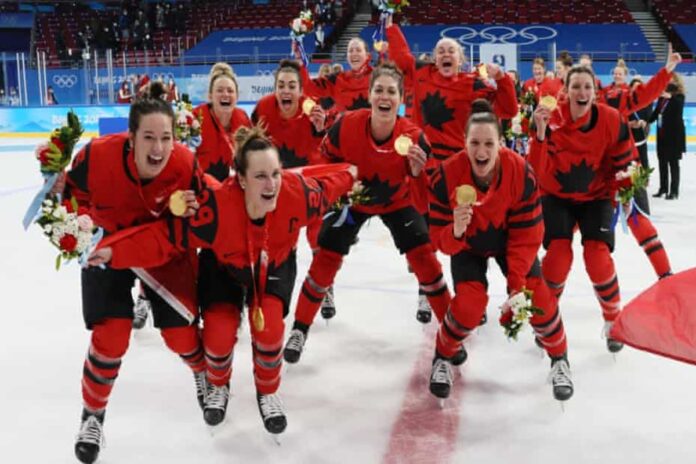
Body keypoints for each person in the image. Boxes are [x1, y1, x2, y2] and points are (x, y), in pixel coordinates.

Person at [89, 126, 359, 435]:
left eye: (275, 173)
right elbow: (163, 238)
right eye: (260, 176)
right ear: (241, 180)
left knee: (270, 331)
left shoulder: (298, 195)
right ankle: (218, 385)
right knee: (218, 333)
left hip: (274, 264)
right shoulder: (215, 208)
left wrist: (352, 172)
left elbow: (331, 183)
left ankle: (268, 391)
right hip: (224, 268)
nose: (271, 184)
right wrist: (114, 252)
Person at [66, 82, 206, 463]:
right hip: (104, 249)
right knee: (112, 335)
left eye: (166, 138)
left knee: (181, 335)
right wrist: (75, 230)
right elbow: (69, 195)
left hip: (160, 252)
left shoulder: (185, 166)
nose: (158, 148)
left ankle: (201, 372)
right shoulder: (95, 157)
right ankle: (92, 414)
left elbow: (193, 224)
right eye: (148, 138)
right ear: (131, 137)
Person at [283, 62, 453, 365]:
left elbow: (425, 200)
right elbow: (324, 161)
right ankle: (299, 329)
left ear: (401, 99)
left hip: (397, 202)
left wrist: (416, 173)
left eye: (391, 91)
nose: (384, 97)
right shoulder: (346, 126)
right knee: (325, 257)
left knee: (425, 259)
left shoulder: (415, 139)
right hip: (353, 202)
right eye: (379, 90)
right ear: (370, 94)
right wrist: (338, 191)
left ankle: (452, 336)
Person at [427, 100, 572, 401]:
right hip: (468, 245)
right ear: (463, 142)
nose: (481, 152)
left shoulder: (521, 172)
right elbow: (439, 242)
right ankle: (442, 357)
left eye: (489, 143)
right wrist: (454, 231)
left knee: (537, 297)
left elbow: (527, 235)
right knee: (469, 306)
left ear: (501, 143)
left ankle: (560, 359)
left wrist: (516, 285)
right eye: (474, 143)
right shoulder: (445, 176)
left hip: (510, 243)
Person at [386, 17, 517, 323]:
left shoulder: (474, 84)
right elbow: (401, 56)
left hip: (461, 171)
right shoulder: (421, 73)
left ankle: (471, 297)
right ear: (434, 57)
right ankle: (425, 290)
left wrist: (505, 80)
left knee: (465, 232)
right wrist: (389, 22)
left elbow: (509, 110)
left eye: (451, 51)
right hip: (427, 169)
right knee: (426, 236)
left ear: (461, 59)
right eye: (440, 50)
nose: (445, 54)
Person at [528, 66, 635, 354]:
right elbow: (535, 169)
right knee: (558, 256)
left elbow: (626, 159)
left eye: (587, 87)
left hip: (596, 196)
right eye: (576, 86)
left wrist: (626, 189)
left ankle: (614, 321)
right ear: (565, 90)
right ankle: (547, 321)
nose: (582, 92)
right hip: (556, 196)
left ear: (595, 92)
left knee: (597, 256)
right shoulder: (549, 118)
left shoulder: (611, 119)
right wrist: (538, 133)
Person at [599, 51, 681, 280]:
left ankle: (665, 274)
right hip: (596, 173)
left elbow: (646, 95)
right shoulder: (594, 98)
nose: (581, 92)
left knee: (639, 221)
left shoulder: (619, 97)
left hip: (626, 167)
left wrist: (666, 70)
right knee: (591, 233)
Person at [251, 59, 328, 254]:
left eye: (292, 86)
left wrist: (320, 130)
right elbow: (250, 142)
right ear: (275, 89)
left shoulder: (314, 110)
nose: (286, 91)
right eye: (281, 86)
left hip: (308, 178)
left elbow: (326, 151)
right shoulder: (263, 108)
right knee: (280, 233)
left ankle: (322, 275)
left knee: (317, 232)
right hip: (277, 179)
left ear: (301, 91)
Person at [193, 62, 251, 182]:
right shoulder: (196, 117)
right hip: (202, 188)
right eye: (219, 90)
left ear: (237, 96)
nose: (225, 94)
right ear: (210, 96)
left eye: (230, 91)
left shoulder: (243, 119)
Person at [297, 37, 372, 113]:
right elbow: (308, 88)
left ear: (367, 56)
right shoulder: (336, 80)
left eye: (358, 50)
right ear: (347, 57)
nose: (354, 54)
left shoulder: (377, 77)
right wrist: (300, 62)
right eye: (350, 51)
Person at [649, 72, 686, 200]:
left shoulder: (679, 96)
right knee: (662, 162)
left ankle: (674, 191)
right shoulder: (662, 97)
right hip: (662, 134)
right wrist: (646, 121)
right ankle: (663, 188)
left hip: (674, 136)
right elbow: (656, 113)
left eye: (671, 79)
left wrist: (670, 96)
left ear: (676, 81)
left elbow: (678, 109)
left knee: (673, 163)